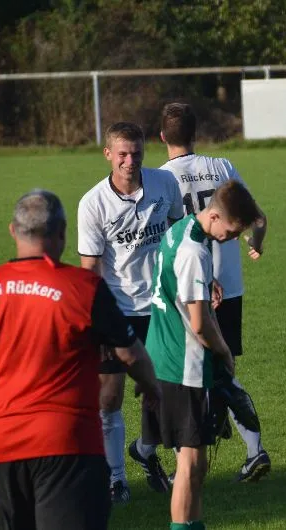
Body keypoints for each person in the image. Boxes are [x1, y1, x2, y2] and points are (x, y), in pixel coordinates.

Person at [0, 190, 161, 530]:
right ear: (62, 233)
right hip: (67, 440)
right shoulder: (83, 287)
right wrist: (151, 386)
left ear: (13, 230)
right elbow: (130, 352)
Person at [134, 102, 270, 482]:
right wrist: (256, 243)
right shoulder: (222, 167)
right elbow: (256, 216)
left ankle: (164, 450)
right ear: (196, 134)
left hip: (187, 282)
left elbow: (157, 233)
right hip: (226, 282)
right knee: (214, 368)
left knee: (200, 370)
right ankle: (248, 449)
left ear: (162, 137)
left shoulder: (160, 177)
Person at [142, 180, 263, 530]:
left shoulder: (181, 229)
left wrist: (206, 285)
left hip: (162, 357)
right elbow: (199, 324)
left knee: (195, 464)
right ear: (214, 216)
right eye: (231, 230)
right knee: (190, 465)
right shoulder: (195, 251)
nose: (231, 238)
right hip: (183, 366)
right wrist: (224, 352)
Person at [78, 122, 184, 501]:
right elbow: (90, 270)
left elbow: (180, 235)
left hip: (161, 306)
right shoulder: (93, 203)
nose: (130, 160)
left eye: (136, 152)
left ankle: (164, 460)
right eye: (122, 153)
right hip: (117, 312)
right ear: (108, 154)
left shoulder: (165, 183)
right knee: (110, 397)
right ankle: (116, 479)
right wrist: (98, 324)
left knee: (168, 389)